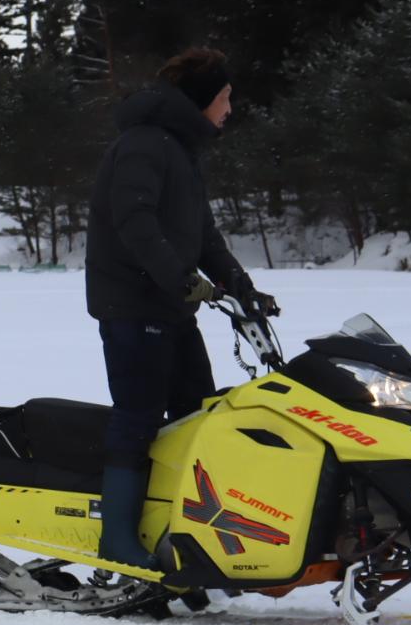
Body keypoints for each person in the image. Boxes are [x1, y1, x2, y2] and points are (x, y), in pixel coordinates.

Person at [84, 47, 280, 569]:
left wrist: (240, 287)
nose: (229, 109)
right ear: (200, 100)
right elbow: (135, 223)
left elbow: (204, 236)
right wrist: (182, 279)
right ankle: (118, 541)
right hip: (132, 306)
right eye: (224, 98)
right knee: (139, 417)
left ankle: (183, 530)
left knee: (196, 415)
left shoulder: (180, 150)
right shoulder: (145, 145)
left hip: (169, 308)